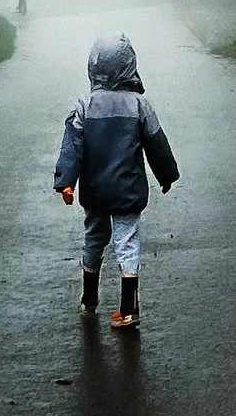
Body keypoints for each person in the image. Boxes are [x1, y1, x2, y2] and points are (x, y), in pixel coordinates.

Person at [53, 33, 179, 330]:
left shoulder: (85, 105)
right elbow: (157, 145)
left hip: (95, 189)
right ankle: (129, 308)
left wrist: (66, 181)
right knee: (127, 242)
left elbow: (72, 146)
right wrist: (166, 175)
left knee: (93, 238)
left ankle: (89, 299)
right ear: (129, 65)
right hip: (127, 190)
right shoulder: (139, 105)